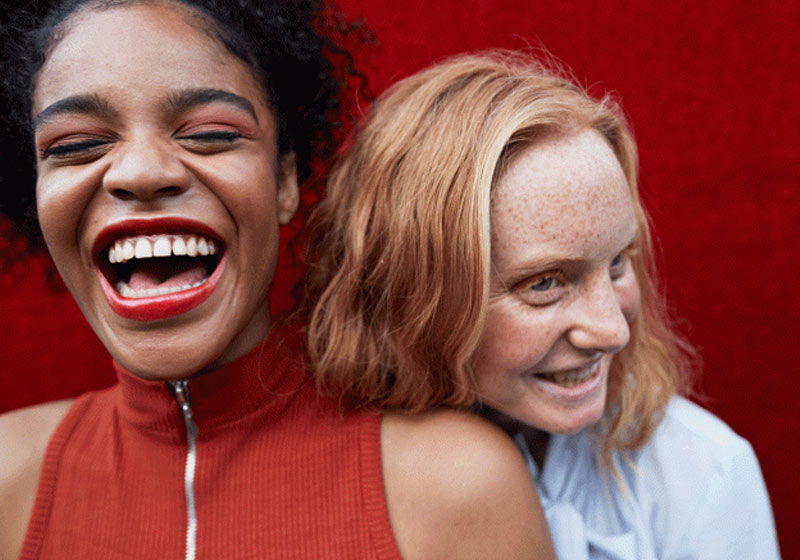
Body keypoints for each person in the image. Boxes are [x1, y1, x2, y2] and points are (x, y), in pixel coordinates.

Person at [0, 4, 556, 559]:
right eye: (74, 145)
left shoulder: (457, 486)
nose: (142, 172)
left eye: (211, 133)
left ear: (285, 180)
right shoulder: (9, 478)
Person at [306, 51, 781, 559]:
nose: (612, 332)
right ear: (414, 292)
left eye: (618, 261)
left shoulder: (701, 475)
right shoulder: (315, 465)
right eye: (545, 283)